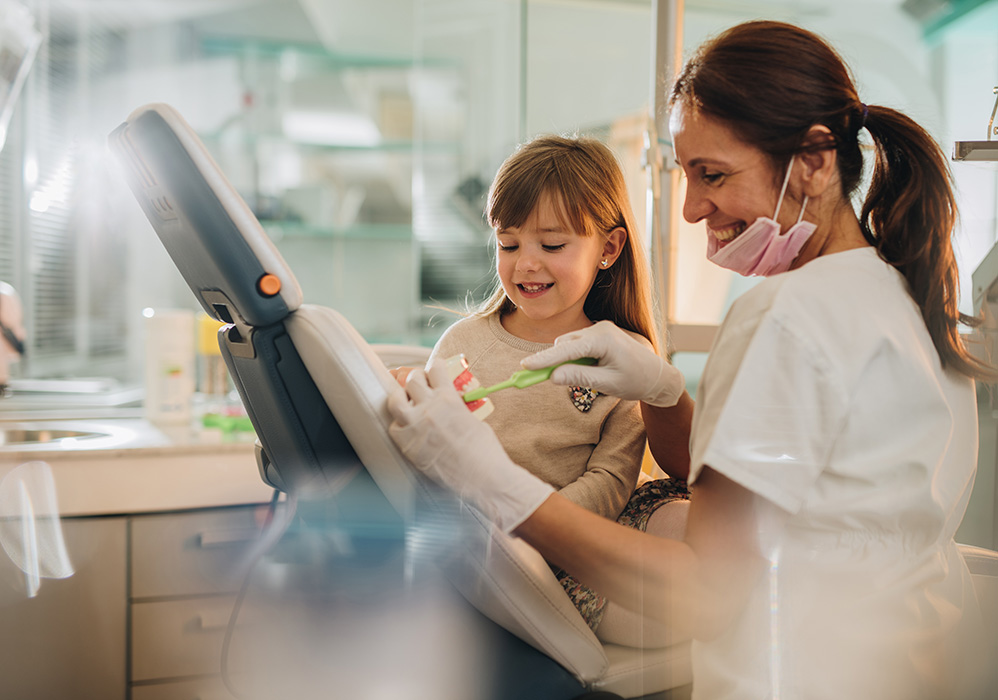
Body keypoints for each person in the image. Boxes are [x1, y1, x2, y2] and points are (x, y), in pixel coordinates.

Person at [387, 20, 996, 700]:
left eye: (713, 174)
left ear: (816, 161)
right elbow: (790, 495)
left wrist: (491, 483)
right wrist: (667, 394)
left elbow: (707, 592)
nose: (689, 207)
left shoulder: (786, 319)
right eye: (684, 173)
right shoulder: (913, 297)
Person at [393, 134, 693, 645]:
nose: (525, 263)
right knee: (658, 626)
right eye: (508, 244)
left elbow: (614, 476)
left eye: (551, 245)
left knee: (695, 537)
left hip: (590, 533)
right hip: (501, 549)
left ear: (609, 248)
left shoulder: (627, 353)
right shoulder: (464, 344)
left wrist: (541, 524)